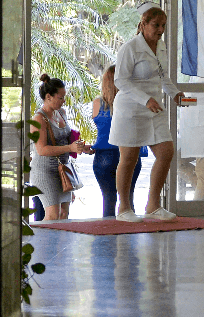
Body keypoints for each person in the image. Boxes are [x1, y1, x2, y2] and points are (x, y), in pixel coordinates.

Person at [109, 2, 185, 222]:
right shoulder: (129, 48)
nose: (160, 30)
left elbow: (163, 77)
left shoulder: (160, 47)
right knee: (130, 158)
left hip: (155, 108)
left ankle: (153, 205)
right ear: (143, 24)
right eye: (156, 25)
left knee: (166, 152)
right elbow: (120, 80)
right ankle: (124, 209)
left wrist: (176, 94)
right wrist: (145, 99)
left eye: (163, 25)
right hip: (131, 108)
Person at [29, 74, 85, 221]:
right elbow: (41, 150)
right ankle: (44, 244)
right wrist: (70, 148)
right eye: (60, 98)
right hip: (45, 172)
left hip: (63, 170)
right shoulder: (39, 119)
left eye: (64, 97)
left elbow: (66, 140)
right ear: (48, 97)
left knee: (63, 214)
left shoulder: (61, 113)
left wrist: (81, 147)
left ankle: (60, 244)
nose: (63, 101)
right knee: (52, 215)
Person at [91, 64, 143, 217]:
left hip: (104, 156)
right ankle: (128, 237)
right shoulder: (133, 101)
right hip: (130, 152)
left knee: (108, 200)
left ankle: (108, 237)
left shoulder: (98, 104)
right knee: (128, 200)